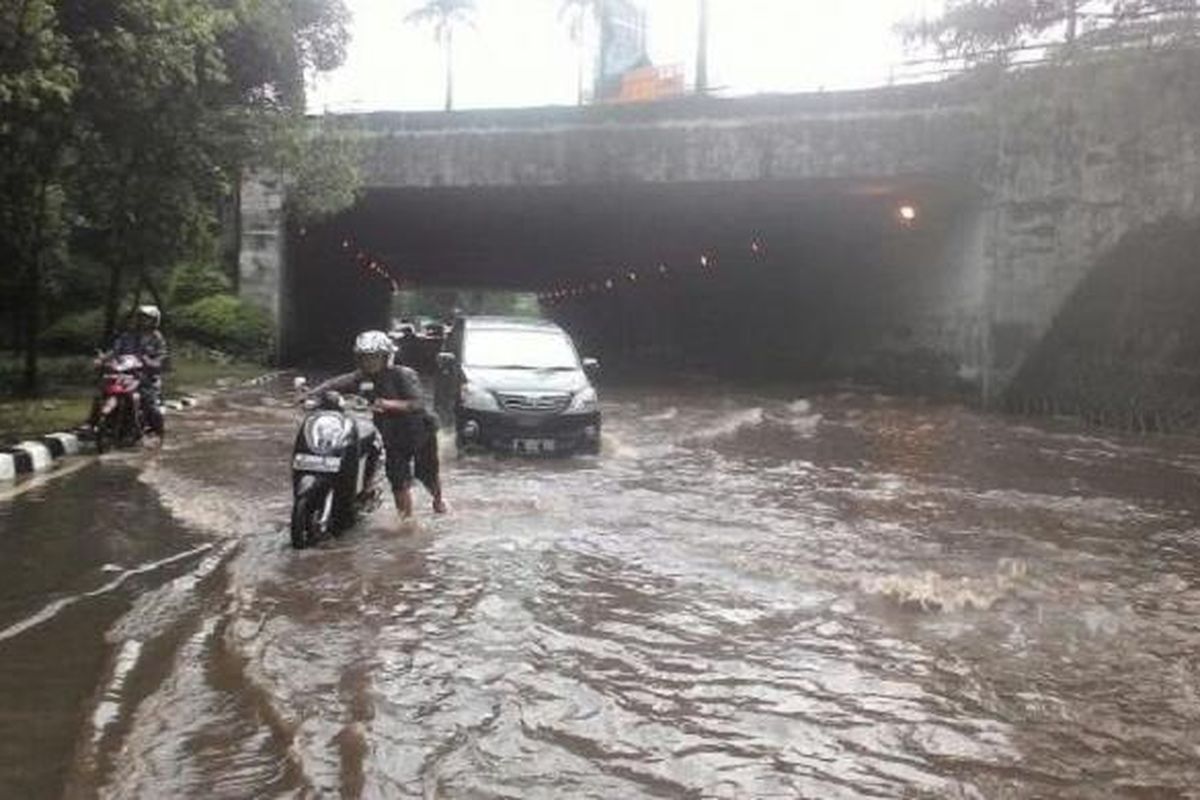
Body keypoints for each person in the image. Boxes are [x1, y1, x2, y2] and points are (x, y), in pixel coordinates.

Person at [308, 330, 447, 519]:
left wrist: (389, 404)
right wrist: (312, 395)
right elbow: (333, 384)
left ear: (386, 357)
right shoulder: (359, 377)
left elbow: (417, 403)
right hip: (390, 436)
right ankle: (406, 522)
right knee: (398, 480)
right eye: (365, 358)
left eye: (375, 357)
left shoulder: (403, 375)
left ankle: (438, 501)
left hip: (419, 432)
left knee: (427, 474)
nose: (370, 362)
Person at [93, 305, 169, 442]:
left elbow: (161, 358)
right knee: (102, 392)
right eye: (140, 318)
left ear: (154, 321)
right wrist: (102, 360)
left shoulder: (157, 338)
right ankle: (93, 423)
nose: (142, 321)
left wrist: (151, 362)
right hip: (124, 374)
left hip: (146, 377)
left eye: (146, 318)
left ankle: (158, 432)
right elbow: (114, 351)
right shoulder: (127, 336)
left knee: (150, 405)